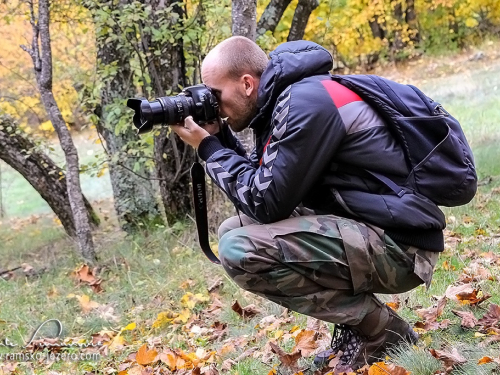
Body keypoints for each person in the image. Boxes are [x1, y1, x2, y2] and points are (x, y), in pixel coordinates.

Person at [171, 36, 443, 372]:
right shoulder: (285, 101)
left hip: (402, 246)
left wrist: (208, 149)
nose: (214, 106)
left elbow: (265, 203)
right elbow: (262, 191)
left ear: (246, 83)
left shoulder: (305, 103)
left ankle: (382, 332)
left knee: (240, 248)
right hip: (374, 228)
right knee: (236, 228)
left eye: (215, 96)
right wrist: (218, 138)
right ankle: (364, 329)